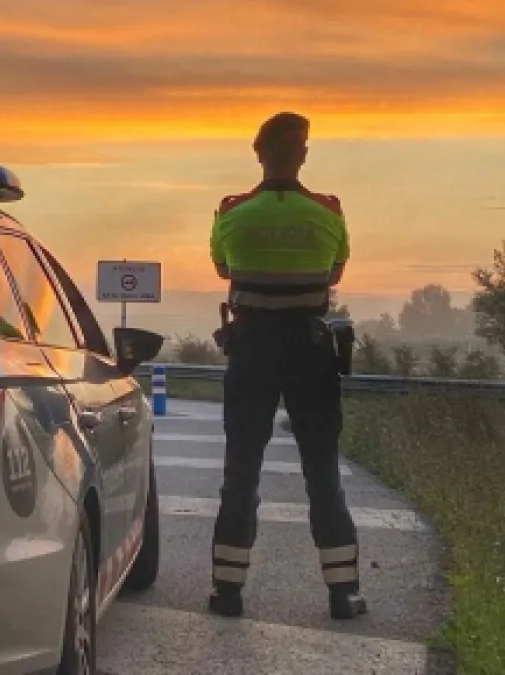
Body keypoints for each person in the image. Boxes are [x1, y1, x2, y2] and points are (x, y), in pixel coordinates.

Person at [205, 112, 368, 620]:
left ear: (259, 154)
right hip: (310, 351)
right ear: (303, 155)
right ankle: (343, 592)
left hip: (251, 349)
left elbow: (223, 267)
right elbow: (334, 272)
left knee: (241, 469)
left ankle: (228, 590)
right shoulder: (328, 212)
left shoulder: (232, 213)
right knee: (322, 470)